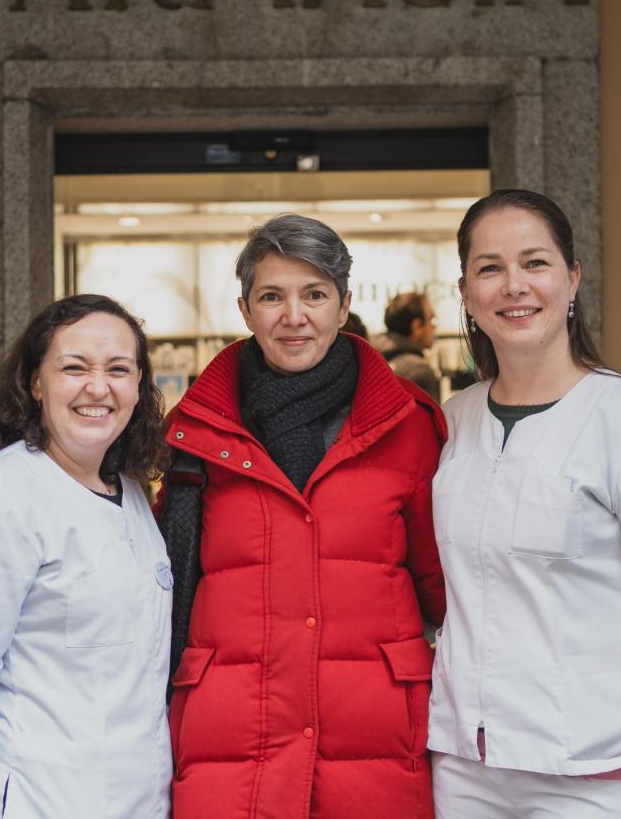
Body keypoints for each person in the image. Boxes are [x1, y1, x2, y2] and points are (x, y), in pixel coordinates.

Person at [428, 190, 621, 819]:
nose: (514, 286)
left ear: (572, 277)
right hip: (463, 768)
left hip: (594, 772)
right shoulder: (451, 425)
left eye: (535, 263)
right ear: (466, 292)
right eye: (489, 268)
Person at [161, 214, 447, 818]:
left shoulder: (409, 425)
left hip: (375, 745)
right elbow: (165, 591)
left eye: (314, 294)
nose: (294, 316)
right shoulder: (195, 434)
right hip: (231, 742)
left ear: (343, 307)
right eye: (272, 296)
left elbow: (444, 593)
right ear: (245, 310)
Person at [0, 295, 173, 819]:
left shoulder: (130, 494)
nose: (98, 388)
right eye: (74, 368)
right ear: (36, 382)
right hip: (41, 800)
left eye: (118, 370)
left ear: (139, 387)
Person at [375, 291, 442, 402]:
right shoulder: (420, 372)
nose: (434, 328)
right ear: (417, 326)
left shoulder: (373, 361)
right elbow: (426, 419)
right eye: (432, 321)